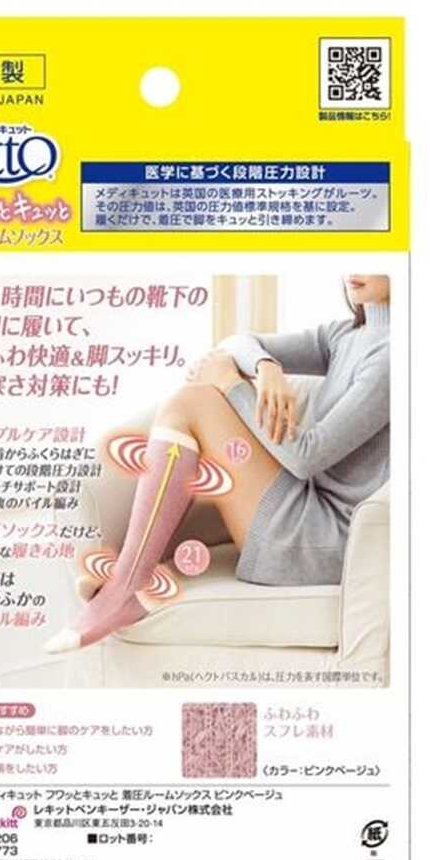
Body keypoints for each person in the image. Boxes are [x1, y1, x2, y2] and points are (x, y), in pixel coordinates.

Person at [44, 274, 391, 653]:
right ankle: (131, 576)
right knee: (190, 402)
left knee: (194, 403)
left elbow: (307, 456)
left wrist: (231, 383)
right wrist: (265, 366)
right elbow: (233, 344)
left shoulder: (394, 355)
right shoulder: (344, 336)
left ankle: (127, 586)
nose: (355, 266)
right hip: (306, 509)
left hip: (320, 543)